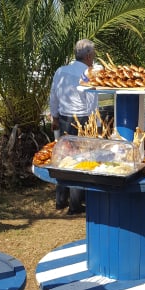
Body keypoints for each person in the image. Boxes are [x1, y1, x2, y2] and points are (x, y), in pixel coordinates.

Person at [50, 39, 99, 214]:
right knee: (80, 160)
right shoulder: (88, 73)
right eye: (93, 55)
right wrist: (96, 125)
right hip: (83, 119)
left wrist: (54, 117)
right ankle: (76, 204)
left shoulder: (61, 71)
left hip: (64, 118)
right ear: (88, 56)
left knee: (63, 158)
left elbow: (53, 95)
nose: (94, 58)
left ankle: (60, 200)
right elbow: (92, 102)